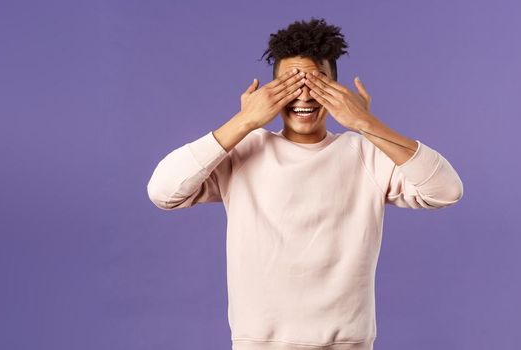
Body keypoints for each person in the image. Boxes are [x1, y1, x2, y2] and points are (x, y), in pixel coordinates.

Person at [146, 17, 463, 350]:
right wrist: (244, 122)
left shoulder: (366, 155)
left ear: (338, 91)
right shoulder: (245, 151)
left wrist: (366, 123)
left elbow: (446, 190)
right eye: (289, 83)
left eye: (317, 82)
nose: (304, 95)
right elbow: (163, 191)